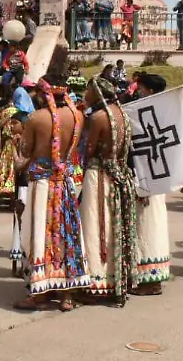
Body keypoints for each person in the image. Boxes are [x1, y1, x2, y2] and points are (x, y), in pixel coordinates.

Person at [15, 75, 89, 311]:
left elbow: (23, 158)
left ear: (43, 92)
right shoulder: (78, 116)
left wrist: (15, 145)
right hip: (65, 184)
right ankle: (67, 296)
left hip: (42, 185)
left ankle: (39, 295)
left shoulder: (36, 119)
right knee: (67, 234)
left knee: (39, 234)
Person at [78, 77, 138, 306]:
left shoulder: (98, 117)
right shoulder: (122, 114)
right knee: (116, 228)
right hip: (121, 176)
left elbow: (90, 149)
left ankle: (97, 282)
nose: (86, 94)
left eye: (88, 90)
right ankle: (116, 280)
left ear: (97, 93)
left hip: (100, 176)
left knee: (96, 226)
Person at [131, 74, 172, 296]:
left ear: (149, 91)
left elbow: (145, 152)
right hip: (155, 178)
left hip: (149, 180)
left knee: (148, 227)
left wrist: (144, 186)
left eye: (141, 89)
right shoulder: (161, 113)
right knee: (149, 225)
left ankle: (150, 280)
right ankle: (148, 277)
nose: (138, 92)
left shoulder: (148, 115)